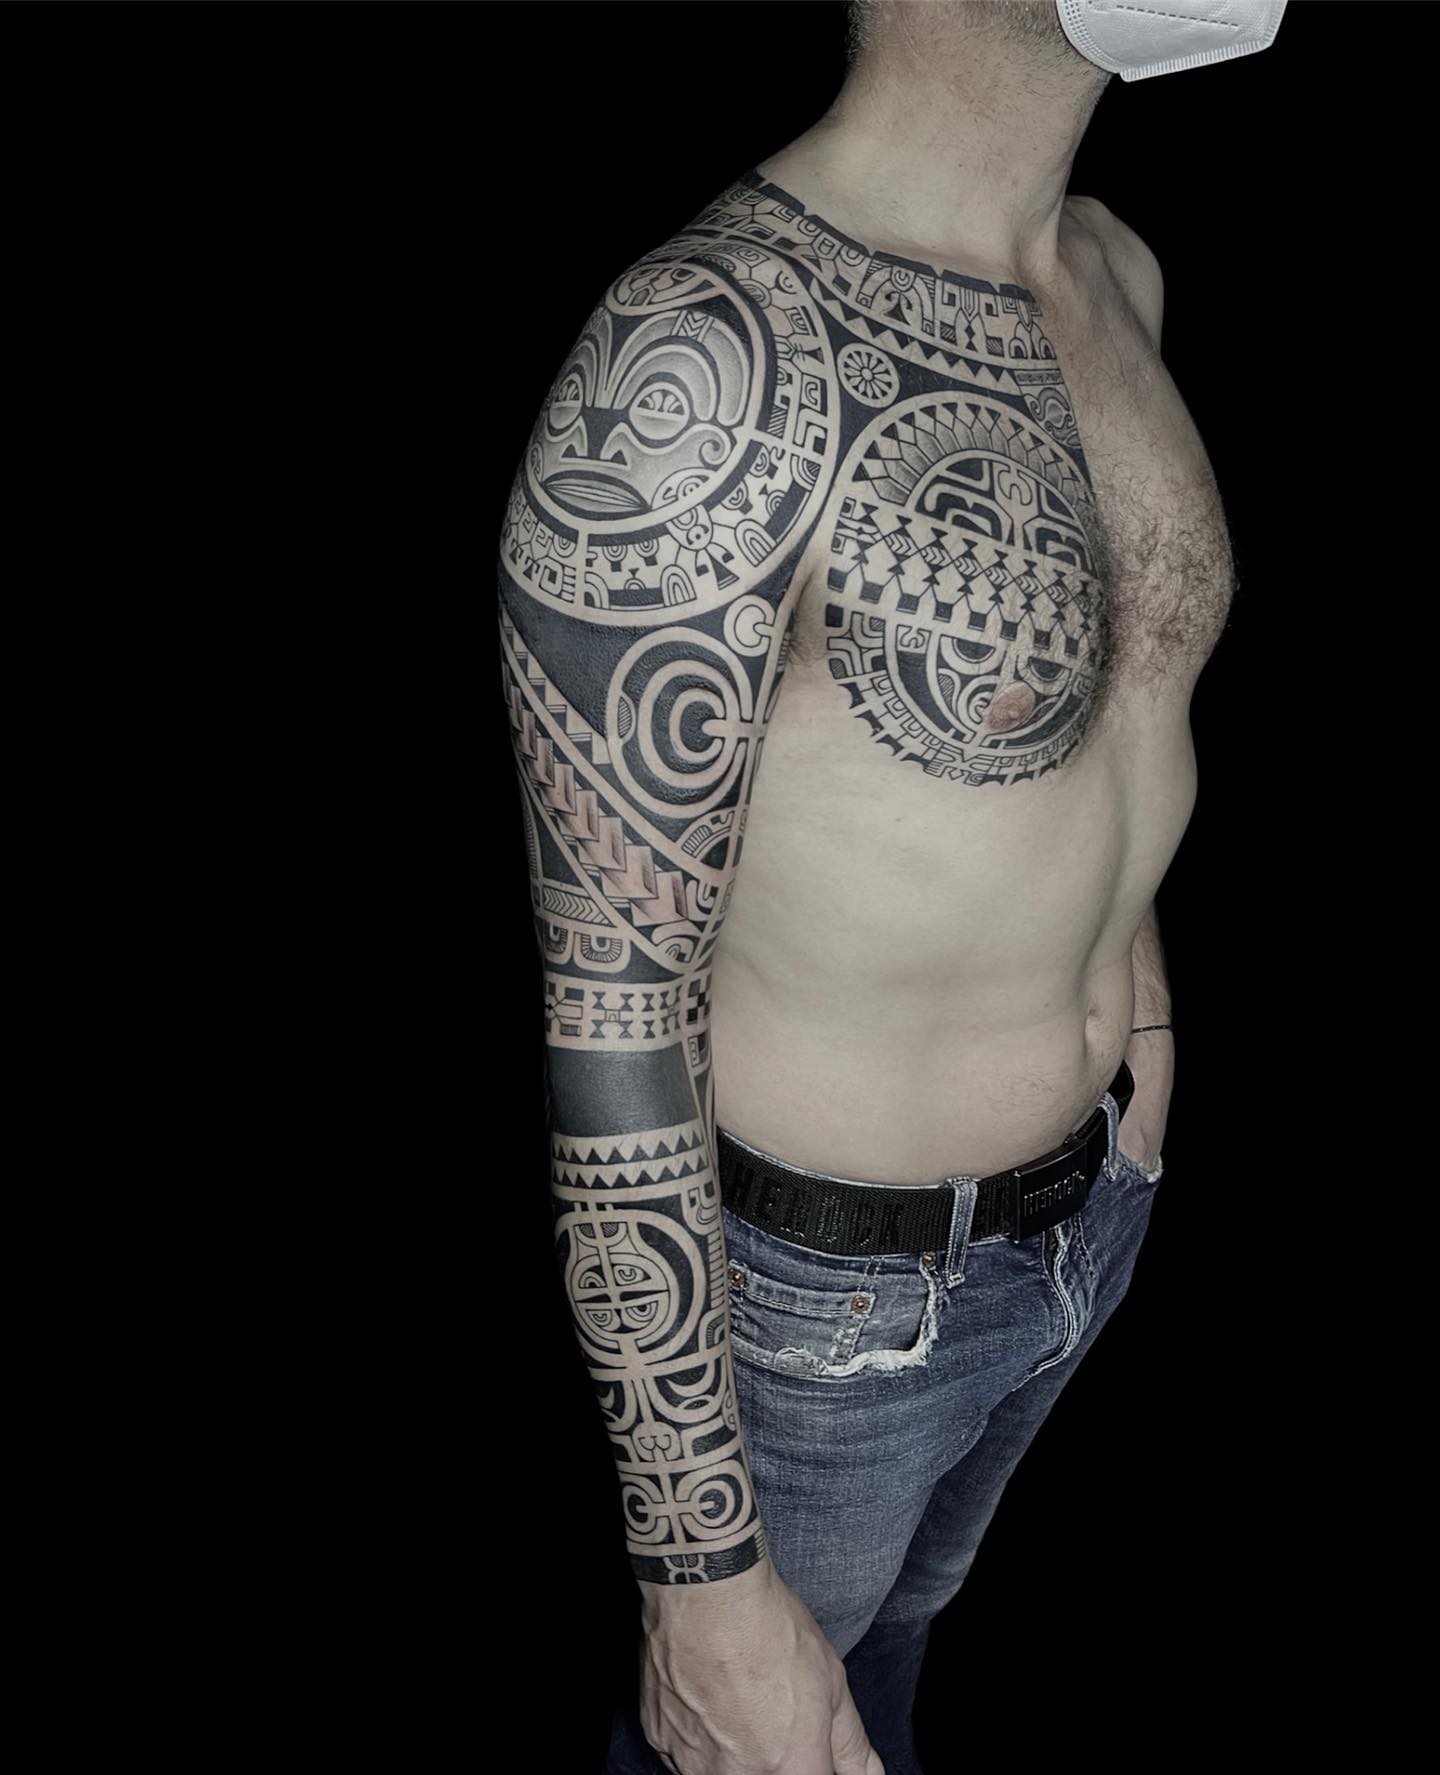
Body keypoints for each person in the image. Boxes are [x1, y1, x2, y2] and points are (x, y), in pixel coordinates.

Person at [496, 4, 1289, 1769]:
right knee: (746, 1721)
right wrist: (702, 1584)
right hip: (827, 1315)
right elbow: (617, 998)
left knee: (898, 1658)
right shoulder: (703, 360)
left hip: (1092, 1219)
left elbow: (1120, 734)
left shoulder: (1113, 271)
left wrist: (1145, 1052)